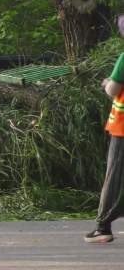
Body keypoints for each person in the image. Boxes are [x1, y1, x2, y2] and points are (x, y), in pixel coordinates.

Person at [85, 15, 124, 243]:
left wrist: (107, 83)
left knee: (115, 175)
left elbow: (113, 90)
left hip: (122, 128)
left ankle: (103, 227)